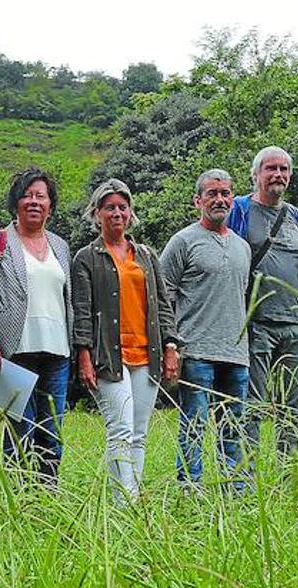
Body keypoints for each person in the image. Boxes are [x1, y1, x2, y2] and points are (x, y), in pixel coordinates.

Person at [72, 178, 179, 505]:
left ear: (130, 213)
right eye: (109, 208)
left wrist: (171, 346)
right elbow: (82, 311)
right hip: (109, 357)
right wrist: (84, 356)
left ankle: (129, 499)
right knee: (119, 430)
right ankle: (126, 504)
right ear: (97, 213)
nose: (116, 213)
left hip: (147, 355)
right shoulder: (86, 258)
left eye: (122, 207)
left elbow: (162, 304)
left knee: (139, 434)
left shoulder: (146, 255)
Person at [0, 167, 72, 487]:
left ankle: (46, 501)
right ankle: (19, 501)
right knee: (22, 431)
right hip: (14, 350)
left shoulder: (60, 246)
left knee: (52, 434)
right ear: (15, 202)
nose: (33, 201)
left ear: (50, 204)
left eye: (40, 196)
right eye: (27, 195)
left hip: (58, 351)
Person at [160, 169, 250, 492]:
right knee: (194, 427)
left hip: (237, 354)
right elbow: (162, 295)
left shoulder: (243, 247)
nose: (220, 199)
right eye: (212, 193)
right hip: (196, 350)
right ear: (198, 200)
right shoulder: (182, 242)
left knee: (232, 428)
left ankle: (234, 491)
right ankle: (191, 492)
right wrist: (170, 344)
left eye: (225, 193)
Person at [227, 146, 298, 461]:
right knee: (254, 403)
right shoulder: (240, 209)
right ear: (256, 174)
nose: (278, 175)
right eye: (271, 169)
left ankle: (288, 471)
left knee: (293, 404)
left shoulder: (295, 216)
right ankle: (248, 475)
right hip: (255, 323)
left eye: (284, 169)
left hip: (292, 323)